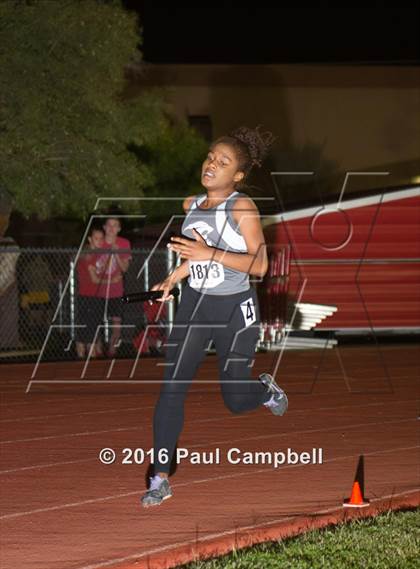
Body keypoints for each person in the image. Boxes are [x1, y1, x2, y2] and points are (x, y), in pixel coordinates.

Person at [141, 126, 288, 508]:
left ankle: (265, 390)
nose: (212, 165)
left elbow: (260, 265)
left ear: (237, 175)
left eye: (223, 162)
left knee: (235, 399)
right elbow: (195, 255)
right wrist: (172, 278)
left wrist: (211, 255)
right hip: (195, 305)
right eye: (210, 157)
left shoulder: (241, 207)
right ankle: (159, 477)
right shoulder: (192, 205)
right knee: (171, 387)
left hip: (234, 310)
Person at [96, 216, 131, 357]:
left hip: (116, 290)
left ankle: (112, 352)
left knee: (117, 325)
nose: (111, 228)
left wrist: (116, 253)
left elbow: (124, 268)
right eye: (109, 225)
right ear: (104, 227)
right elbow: (93, 266)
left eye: (115, 225)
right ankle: (97, 352)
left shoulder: (123, 243)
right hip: (98, 291)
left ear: (119, 229)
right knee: (96, 324)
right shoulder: (98, 242)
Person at [75, 227, 106, 359]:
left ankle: (84, 354)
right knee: (89, 327)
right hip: (88, 296)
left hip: (95, 296)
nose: (99, 241)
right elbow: (94, 278)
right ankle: (87, 355)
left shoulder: (95, 255)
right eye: (96, 238)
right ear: (90, 239)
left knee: (89, 326)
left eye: (101, 239)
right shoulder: (89, 255)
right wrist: (111, 279)